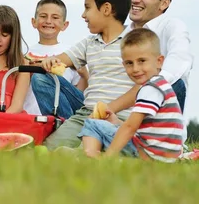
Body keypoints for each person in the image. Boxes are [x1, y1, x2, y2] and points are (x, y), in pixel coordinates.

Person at [41, 0, 135, 150]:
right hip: (87, 113)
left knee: (84, 154)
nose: (83, 15)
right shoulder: (90, 42)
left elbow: (143, 87)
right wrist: (52, 60)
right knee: (48, 150)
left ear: (106, 9)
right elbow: (62, 59)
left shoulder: (136, 40)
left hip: (121, 116)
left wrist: (108, 109)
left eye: (87, 7)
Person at [79, 28, 184, 162]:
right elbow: (143, 128)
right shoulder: (161, 85)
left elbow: (130, 127)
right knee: (115, 128)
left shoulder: (150, 89)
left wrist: (108, 157)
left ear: (159, 61)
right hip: (165, 155)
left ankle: (93, 157)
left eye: (141, 61)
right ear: (123, 64)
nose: (135, 69)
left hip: (148, 154)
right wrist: (116, 122)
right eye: (129, 63)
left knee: (92, 123)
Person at [112, 0, 192, 114]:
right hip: (110, 103)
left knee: (173, 81)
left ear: (163, 4)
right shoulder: (118, 34)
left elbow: (180, 60)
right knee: (58, 83)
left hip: (150, 110)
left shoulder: (172, 26)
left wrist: (148, 86)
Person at [24, 0, 88, 117]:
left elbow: (75, 94)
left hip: (60, 117)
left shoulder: (71, 53)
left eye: (55, 17)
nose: (48, 21)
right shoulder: (24, 53)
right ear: (34, 22)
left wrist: (84, 76)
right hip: (29, 116)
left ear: (65, 25)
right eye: (43, 16)